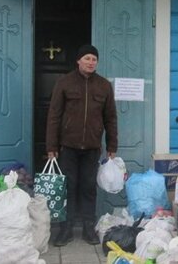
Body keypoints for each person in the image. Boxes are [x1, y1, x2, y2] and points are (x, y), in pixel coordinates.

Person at [46, 44, 118, 246]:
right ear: (78, 60)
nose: (91, 62)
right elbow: (54, 115)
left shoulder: (104, 85)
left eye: (94, 59)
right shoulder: (64, 82)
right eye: (87, 58)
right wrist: (51, 146)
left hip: (92, 148)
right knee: (68, 187)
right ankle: (66, 229)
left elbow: (111, 117)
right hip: (68, 147)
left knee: (88, 187)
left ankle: (88, 228)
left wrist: (112, 145)